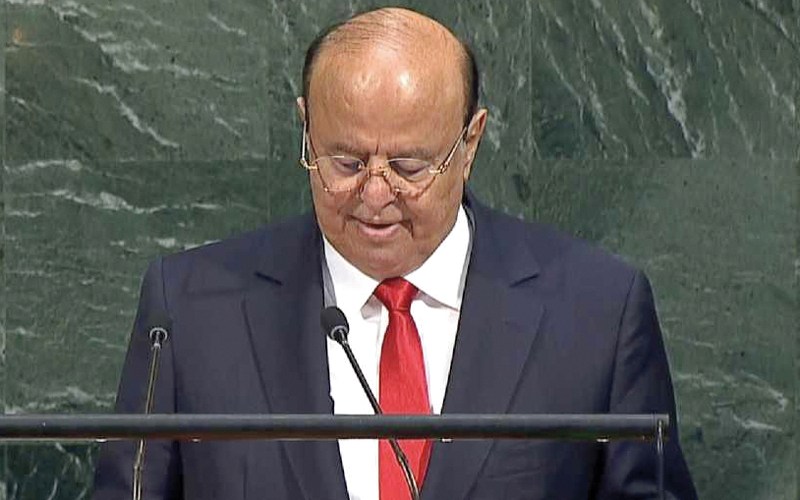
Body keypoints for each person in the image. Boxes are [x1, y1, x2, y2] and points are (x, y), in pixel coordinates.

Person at [93, 7, 698, 500]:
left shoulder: (598, 311)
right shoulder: (191, 307)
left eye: (409, 167)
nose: (376, 194)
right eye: (346, 162)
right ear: (306, 129)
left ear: (470, 143)